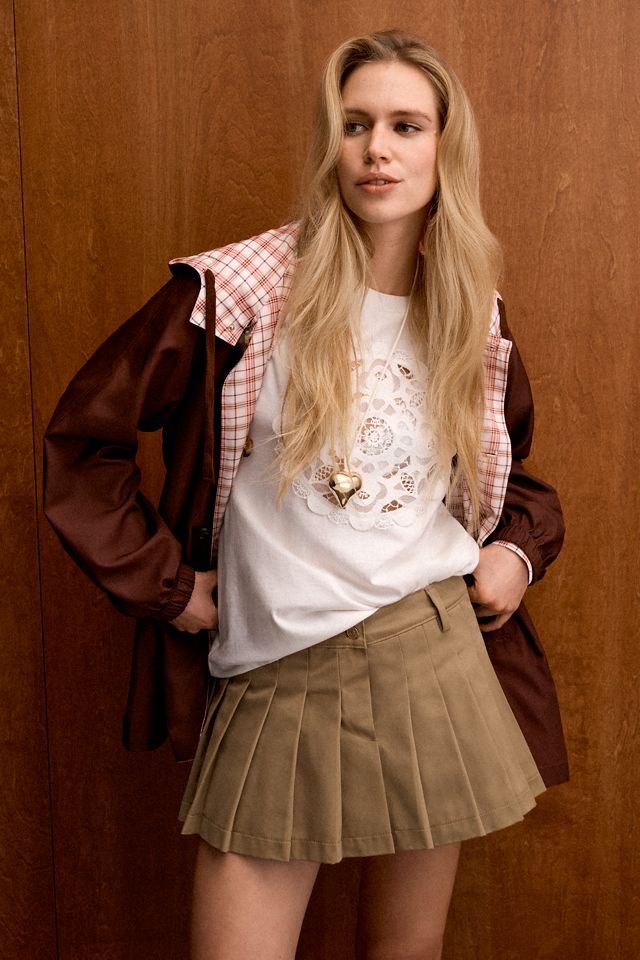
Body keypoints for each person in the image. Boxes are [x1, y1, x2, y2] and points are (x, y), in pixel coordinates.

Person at [44, 29, 567, 960]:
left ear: (445, 147)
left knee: (406, 953)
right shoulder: (240, 291)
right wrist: (171, 587)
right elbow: (85, 444)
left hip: (433, 653)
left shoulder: (470, 309)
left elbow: (509, 470)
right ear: (331, 143)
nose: (377, 149)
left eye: (406, 125)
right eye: (354, 124)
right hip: (277, 668)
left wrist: (516, 555)